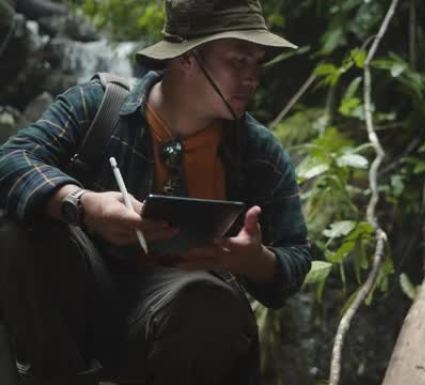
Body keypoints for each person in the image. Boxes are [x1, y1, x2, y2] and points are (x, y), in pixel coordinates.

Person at [0, 0, 311, 384]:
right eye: (238, 61)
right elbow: (12, 160)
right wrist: (83, 205)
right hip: (81, 301)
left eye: (257, 63)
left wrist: (252, 259)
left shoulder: (257, 153)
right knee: (17, 235)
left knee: (204, 301)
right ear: (186, 59)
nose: (253, 78)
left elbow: (297, 255)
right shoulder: (99, 106)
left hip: (182, 324)